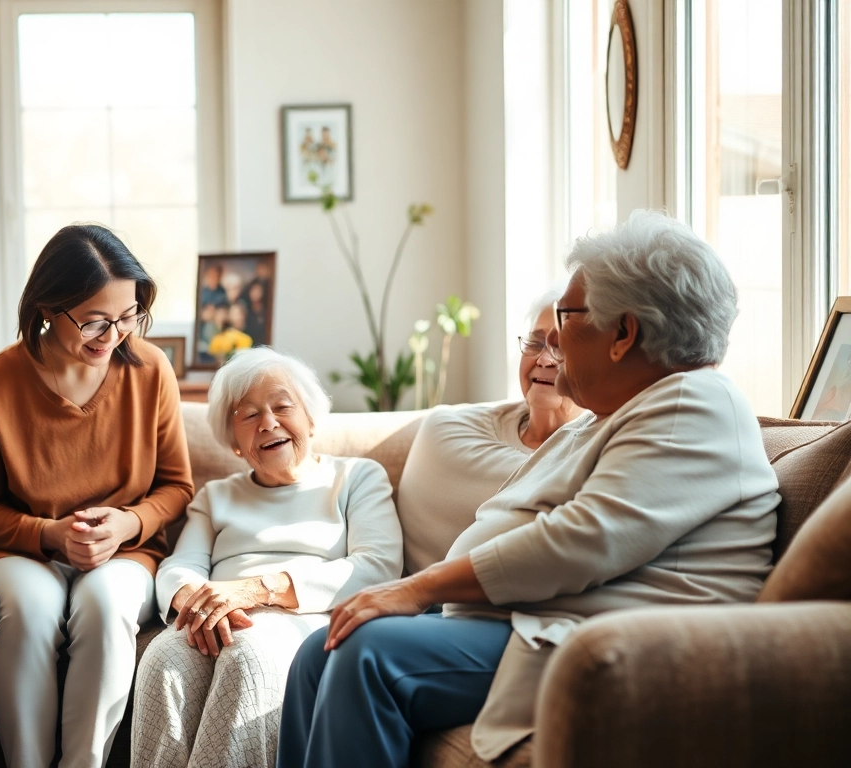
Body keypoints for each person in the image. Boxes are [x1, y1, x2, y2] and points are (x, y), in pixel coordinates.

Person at [278, 210, 781, 768]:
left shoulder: (694, 404)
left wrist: (417, 588)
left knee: (367, 656)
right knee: (316, 655)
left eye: (565, 317)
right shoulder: (614, 415)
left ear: (623, 333)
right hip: (535, 622)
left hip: (608, 641)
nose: (554, 341)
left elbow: (582, 540)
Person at [0, 223, 195, 768]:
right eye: (94, 320)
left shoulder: (152, 370)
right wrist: (48, 535)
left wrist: (128, 524)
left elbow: (177, 486)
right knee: (31, 611)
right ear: (47, 305)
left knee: (108, 605)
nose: (112, 335)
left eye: (127, 316)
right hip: (22, 551)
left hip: (127, 550)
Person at [132, 348, 403, 768]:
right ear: (234, 442)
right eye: (249, 415)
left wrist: (259, 590)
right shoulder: (217, 495)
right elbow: (178, 567)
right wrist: (198, 604)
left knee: (247, 655)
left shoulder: (356, 477)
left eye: (282, 406)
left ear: (310, 418)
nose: (269, 423)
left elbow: (378, 566)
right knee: (163, 659)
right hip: (213, 618)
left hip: (307, 618)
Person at [396, 288, 583, 575]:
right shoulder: (450, 430)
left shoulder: (609, 444)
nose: (544, 359)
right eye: (535, 342)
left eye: (561, 347)